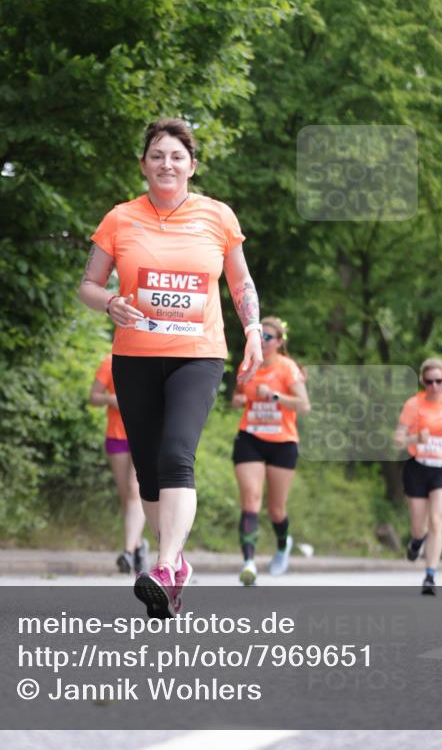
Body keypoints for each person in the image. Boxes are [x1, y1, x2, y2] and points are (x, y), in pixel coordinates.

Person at [79, 117, 263, 618]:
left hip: (197, 355)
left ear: (192, 166)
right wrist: (110, 303)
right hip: (135, 356)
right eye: (157, 155)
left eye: (176, 156)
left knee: (177, 454)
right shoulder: (120, 218)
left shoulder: (216, 216)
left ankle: (162, 567)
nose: (167, 163)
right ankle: (175, 565)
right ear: (143, 165)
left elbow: (241, 282)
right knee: (148, 474)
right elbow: (89, 285)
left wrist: (251, 331)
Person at [231, 316, 310, 585]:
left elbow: (304, 405)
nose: (262, 342)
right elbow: (238, 395)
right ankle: (249, 563)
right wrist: (239, 399)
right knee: (251, 499)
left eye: (268, 338)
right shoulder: (248, 364)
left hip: (282, 442)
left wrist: (274, 396)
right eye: (259, 336)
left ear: (278, 342)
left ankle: (281, 544)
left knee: (276, 509)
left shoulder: (288, 369)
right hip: (250, 437)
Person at [394, 357, 442, 596]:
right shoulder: (413, 404)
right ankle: (416, 542)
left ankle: (430, 576)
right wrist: (416, 439)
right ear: (422, 381)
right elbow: (398, 439)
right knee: (419, 526)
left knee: (437, 520)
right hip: (417, 467)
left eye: (439, 381)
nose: (434, 386)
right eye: (429, 381)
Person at [89, 353, 148, 575]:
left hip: (143, 434)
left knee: (135, 491)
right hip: (117, 435)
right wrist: (109, 399)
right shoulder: (110, 361)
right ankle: (139, 546)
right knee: (126, 497)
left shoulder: (152, 360)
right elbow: (93, 397)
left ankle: (127, 552)